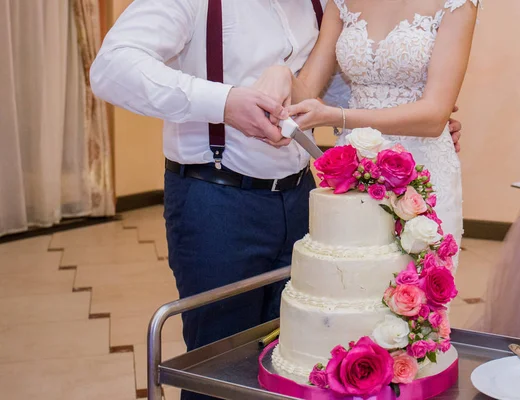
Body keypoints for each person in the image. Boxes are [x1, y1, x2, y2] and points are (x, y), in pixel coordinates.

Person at [90, 1, 463, 399]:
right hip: (216, 201)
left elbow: (334, 90)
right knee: (220, 364)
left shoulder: (320, 4)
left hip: (304, 198)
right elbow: (113, 68)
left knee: (300, 360)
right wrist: (224, 102)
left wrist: (421, 120)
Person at [260, 0, 480, 265]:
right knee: (350, 283)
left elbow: (434, 117)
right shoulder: (339, 3)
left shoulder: (457, 4)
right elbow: (307, 89)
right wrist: (281, 74)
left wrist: (339, 117)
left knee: (413, 289)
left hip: (423, 164)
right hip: (356, 168)